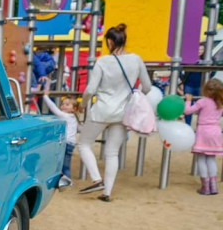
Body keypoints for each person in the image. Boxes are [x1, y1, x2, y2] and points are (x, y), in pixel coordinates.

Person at [77, 24, 151, 201]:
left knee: (84, 144)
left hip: (101, 110)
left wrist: (82, 104)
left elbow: (90, 89)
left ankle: (96, 179)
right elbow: (147, 86)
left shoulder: (103, 61)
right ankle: (107, 192)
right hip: (122, 112)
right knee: (112, 152)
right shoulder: (136, 59)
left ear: (110, 41)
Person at [184, 78, 223, 195]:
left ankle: (205, 186)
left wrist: (188, 101)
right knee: (211, 159)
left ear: (206, 89)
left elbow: (187, 111)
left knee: (201, 158)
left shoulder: (203, 101)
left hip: (203, 131)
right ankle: (213, 185)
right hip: (215, 131)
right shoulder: (220, 103)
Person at [41, 78, 79, 188]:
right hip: (70, 143)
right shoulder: (73, 118)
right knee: (64, 162)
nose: (63, 106)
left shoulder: (65, 116)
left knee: (62, 163)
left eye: (67, 104)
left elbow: (54, 109)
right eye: (63, 104)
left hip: (66, 143)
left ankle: (66, 181)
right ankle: (65, 180)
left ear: (74, 108)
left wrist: (45, 96)